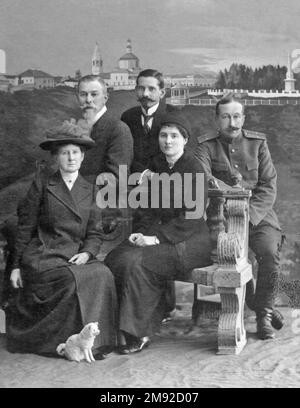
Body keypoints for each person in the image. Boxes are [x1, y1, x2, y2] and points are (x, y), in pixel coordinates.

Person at [6, 119, 117, 358]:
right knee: (72, 279)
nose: (70, 158)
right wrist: (15, 266)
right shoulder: (43, 185)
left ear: (83, 156)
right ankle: (65, 344)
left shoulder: (91, 190)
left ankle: (97, 343)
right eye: (65, 153)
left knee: (103, 274)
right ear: (56, 157)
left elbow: (95, 233)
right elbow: (25, 227)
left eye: (75, 152)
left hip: (76, 253)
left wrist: (87, 252)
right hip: (44, 255)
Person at [105, 112, 212, 354]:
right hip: (159, 234)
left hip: (190, 240)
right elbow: (146, 208)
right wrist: (140, 232)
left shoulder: (194, 168)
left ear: (185, 140)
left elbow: (192, 217)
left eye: (175, 136)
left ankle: (138, 333)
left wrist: (156, 238)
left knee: (139, 263)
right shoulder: (156, 165)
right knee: (118, 258)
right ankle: (115, 330)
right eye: (164, 135)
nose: (168, 141)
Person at [195, 93, 284, 340]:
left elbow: (268, 185)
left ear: (243, 117)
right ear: (217, 119)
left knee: (268, 252)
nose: (232, 123)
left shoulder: (258, 144)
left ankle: (263, 315)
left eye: (236, 116)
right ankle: (259, 305)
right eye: (226, 117)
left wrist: (250, 216)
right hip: (219, 217)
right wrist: (227, 197)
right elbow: (203, 178)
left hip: (259, 214)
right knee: (229, 254)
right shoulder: (205, 145)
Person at [121, 68, 178, 320]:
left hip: (164, 191)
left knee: (159, 243)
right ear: (136, 90)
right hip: (136, 189)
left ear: (162, 92)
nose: (145, 94)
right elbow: (124, 153)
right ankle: (146, 306)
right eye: (141, 88)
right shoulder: (128, 117)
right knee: (137, 244)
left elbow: (177, 154)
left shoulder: (172, 117)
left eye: (151, 89)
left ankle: (165, 306)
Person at [77, 74, 133, 182]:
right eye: (83, 94)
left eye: (94, 94)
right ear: (77, 98)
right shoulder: (76, 127)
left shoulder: (118, 129)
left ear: (105, 98)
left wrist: (72, 183)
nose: (88, 100)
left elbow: (118, 178)